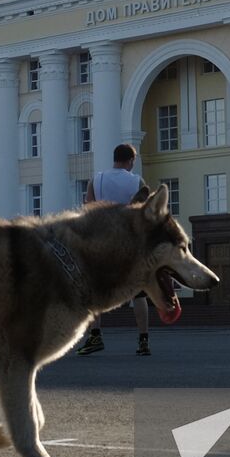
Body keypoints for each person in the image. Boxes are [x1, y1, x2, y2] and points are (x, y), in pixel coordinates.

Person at [76, 143, 151, 356]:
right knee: (138, 293)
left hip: (101, 242)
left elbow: (88, 208)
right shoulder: (137, 181)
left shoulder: (96, 179)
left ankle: (95, 336)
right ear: (130, 161)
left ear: (114, 158)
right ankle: (143, 340)